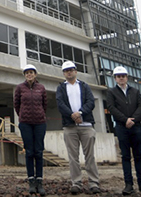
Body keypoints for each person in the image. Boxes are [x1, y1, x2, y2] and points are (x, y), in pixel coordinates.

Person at [105, 66, 141, 195]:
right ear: (115, 78)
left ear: (127, 77)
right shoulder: (111, 92)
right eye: (118, 76)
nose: (121, 78)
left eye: (123, 76)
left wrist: (133, 120)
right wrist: (125, 120)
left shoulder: (135, 91)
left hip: (136, 127)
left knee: (138, 156)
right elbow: (111, 107)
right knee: (126, 156)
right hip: (121, 127)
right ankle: (128, 184)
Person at [55, 60, 101, 194]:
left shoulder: (85, 86)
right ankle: (76, 183)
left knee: (90, 156)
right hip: (70, 127)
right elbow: (60, 104)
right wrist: (72, 115)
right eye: (66, 70)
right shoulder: (61, 88)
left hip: (86, 126)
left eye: (71, 69)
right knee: (73, 157)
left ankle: (93, 183)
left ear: (75, 71)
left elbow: (90, 102)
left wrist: (80, 113)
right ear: (64, 73)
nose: (69, 72)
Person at [14, 64, 48, 196]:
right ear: (24, 75)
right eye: (27, 73)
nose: (29, 75)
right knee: (29, 152)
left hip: (40, 123)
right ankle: (31, 182)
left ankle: (39, 180)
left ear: (35, 74)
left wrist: (40, 115)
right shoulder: (19, 88)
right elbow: (16, 105)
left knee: (38, 152)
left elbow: (44, 105)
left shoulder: (41, 88)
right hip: (25, 124)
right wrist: (23, 115)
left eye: (31, 72)